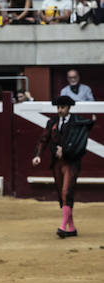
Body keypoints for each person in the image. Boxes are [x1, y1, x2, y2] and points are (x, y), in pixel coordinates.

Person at [33, 95, 95, 238]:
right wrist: (38, 155)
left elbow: (81, 138)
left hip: (72, 162)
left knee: (67, 191)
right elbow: (44, 139)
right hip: (57, 163)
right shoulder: (52, 122)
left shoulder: (77, 122)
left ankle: (62, 227)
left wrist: (66, 151)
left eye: (63, 107)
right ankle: (71, 227)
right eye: (58, 108)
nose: (60, 110)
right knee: (63, 194)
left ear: (69, 108)